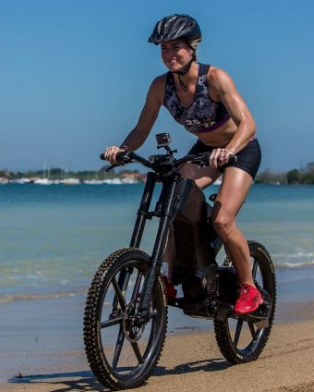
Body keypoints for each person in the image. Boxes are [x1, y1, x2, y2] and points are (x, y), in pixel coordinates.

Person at [103, 14, 264, 315]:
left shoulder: (214, 78)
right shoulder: (160, 87)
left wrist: (229, 150)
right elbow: (141, 129)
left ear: (192, 48)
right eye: (163, 49)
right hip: (204, 151)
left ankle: (249, 288)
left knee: (223, 221)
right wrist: (122, 151)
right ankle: (169, 277)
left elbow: (248, 123)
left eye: (175, 47)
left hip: (240, 150)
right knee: (171, 205)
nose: (169, 54)